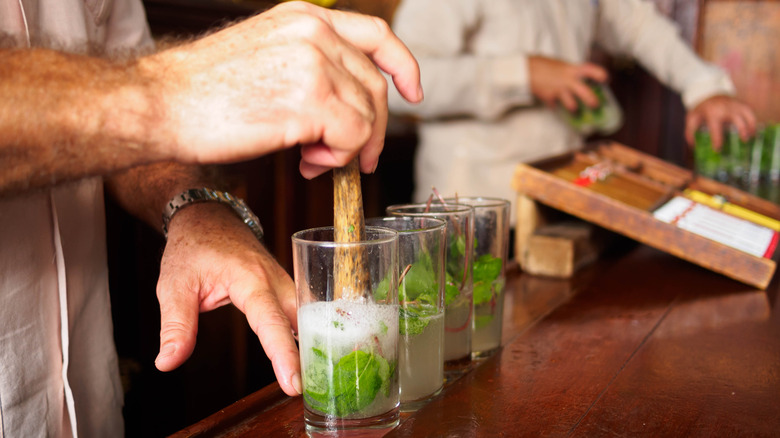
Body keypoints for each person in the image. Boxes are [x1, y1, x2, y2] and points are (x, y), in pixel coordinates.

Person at [0, 0, 422, 436]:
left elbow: (117, 127)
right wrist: (167, 90)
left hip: (92, 404)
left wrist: (194, 208)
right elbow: (135, 101)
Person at [386, 0, 756, 215]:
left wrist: (703, 86)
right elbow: (395, 85)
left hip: (564, 199)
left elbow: (636, 24)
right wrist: (523, 74)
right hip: (467, 212)